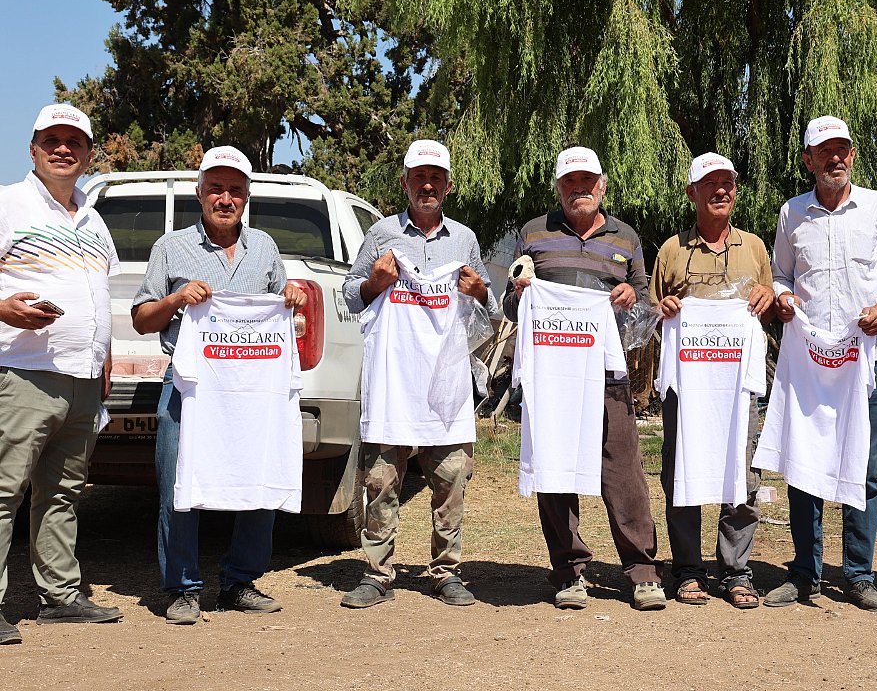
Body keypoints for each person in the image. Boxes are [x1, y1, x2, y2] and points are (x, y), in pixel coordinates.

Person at [132, 145, 307, 624]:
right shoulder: (170, 248)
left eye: (234, 190)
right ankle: (183, 589)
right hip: (189, 386)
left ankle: (240, 582)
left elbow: (280, 308)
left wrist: (289, 296)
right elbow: (142, 319)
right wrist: (175, 298)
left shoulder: (265, 248)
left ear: (246, 197)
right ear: (199, 192)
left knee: (258, 471)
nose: (224, 198)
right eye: (216, 188)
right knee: (179, 481)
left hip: (253, 387)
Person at [503, 146, 666, 611]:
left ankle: (643, 572)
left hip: (607, 374)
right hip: (552, 377)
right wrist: (519, 291)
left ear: (602, 185)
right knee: (555, 467)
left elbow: (646, 304)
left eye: (588, 181)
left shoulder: (627, 237)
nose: (580, 189)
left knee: (624, 470)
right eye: (570, 182)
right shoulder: (534, 234)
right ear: (558, 188)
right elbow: (512, 308)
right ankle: (569, 572)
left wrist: (630, 296)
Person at [338, 140, 497, 609]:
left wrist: (480, 290)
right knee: (382, 480)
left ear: (447, 185)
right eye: (418, 177)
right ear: (405, 182)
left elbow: (485, 309)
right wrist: (375, 284)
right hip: (393, 382)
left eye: (436, 178)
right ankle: (377, 573)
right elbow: (351, 295)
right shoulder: (382, 235)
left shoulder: (464, 239)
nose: (427, 185)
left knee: (450, 478)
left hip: (446, 386)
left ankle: (446, 571)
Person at [765, 116, 877, 610]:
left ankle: (858, 574)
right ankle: (805, 572)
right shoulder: (792, 213)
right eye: (824, 151)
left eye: (842, 149)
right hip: (809, 362)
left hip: (866, 360)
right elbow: (781, 274)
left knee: (864, 467)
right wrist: (783, 300)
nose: (835, 158)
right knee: (803, 463)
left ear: (852, 154)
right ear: (807, 159)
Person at [0, 104, 123, 643]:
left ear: (89, 155)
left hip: (81, 378)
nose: (63, 149)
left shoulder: (93, 219)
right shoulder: (9, 204)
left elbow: (101, 297)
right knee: (5, 491)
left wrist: (104, 368)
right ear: (33, 148)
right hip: (25, 373)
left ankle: (61, 597)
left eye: (74, 141)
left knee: (63, 492)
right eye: (52, 139)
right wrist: (3, 308)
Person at [650, 152, 774, 609]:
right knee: (680, 470)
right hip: (688, 384)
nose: (722, 190)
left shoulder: (755, 248)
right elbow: (649, 315)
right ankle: (687, 569)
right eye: (711, 184)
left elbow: (774, 300)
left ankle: (736, 571)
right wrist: (661, 310)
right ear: (692, 193)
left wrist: (769, 294)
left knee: (741, 473)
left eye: (728, 183)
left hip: (737, 385)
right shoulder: (670, 250)